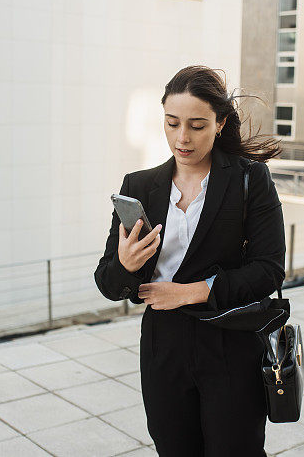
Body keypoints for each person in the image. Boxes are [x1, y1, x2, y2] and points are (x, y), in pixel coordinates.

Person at [94, 65, 286, 456]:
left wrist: (190, 293)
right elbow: (108, 283)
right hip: (163, 347)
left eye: (197, 125)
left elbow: (269, 270)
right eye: (172, 123)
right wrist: (126, 264)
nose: (182, 138)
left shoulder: (251, 179)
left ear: (220, 123)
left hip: (231, 342)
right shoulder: (139, 187)